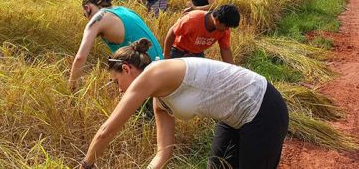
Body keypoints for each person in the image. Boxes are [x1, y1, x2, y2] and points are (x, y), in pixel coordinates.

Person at [78, 39, 289, 169]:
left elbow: (107, 131)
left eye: (117, 82)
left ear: (126, 69)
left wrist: (86, 165)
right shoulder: (159, 101)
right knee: (216, 166)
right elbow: (164, 153)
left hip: (263, 108)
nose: (120, 90)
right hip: (232, 117)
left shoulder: (154, 73)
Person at [68, 0, 163, 89]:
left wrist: (72, 89)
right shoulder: (123, 10)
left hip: (146, 74)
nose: (87, 19)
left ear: (87, 8)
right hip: (161, 64)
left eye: (85, 15)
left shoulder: (97, 20)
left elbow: (80, 58)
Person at [163, 4, 240, 63]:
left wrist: (231, 69)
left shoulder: (224, 30)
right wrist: (166, 56)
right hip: (178, 50)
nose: (227, 29)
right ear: (217, 20)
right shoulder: (192, 20)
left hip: (197, 52)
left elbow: (225, 49)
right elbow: (172, 32)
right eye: (226, 26)